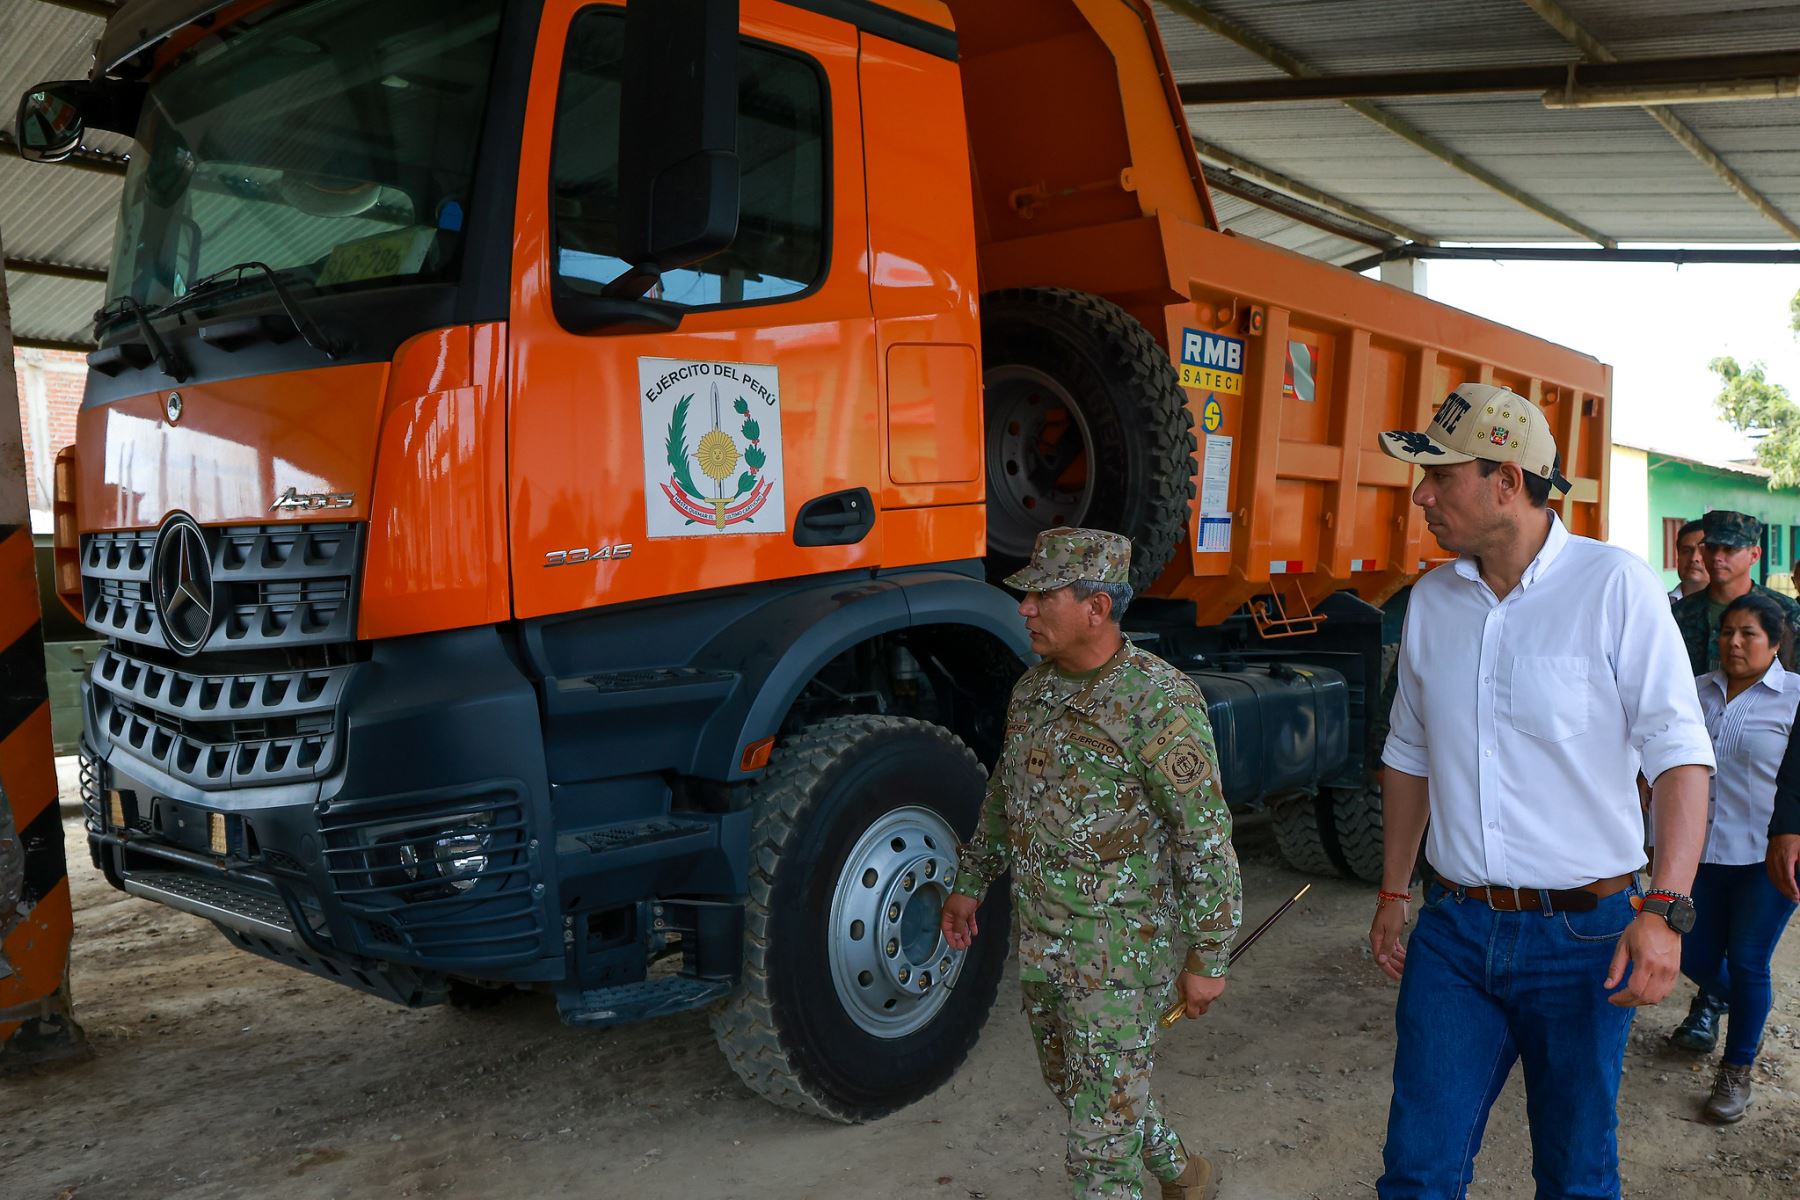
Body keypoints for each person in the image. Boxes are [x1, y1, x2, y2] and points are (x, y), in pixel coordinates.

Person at [1369, 382, 1714, 1198]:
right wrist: (1392, 889)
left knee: (1575, 1173)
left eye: (1440, 476)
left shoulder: (1614, 586)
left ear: (1506, 481)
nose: (1421, 496)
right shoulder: (1431, 601)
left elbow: (1679, 756)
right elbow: (1409, 752)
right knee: (1417, 1172)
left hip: (1584, 937)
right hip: (1455, 931)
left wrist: (1665, 910)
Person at [940, 527, 1241, 1200]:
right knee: (1078, 1087)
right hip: (1045, 944)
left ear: (1096, 608)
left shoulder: (1159, 701)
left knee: (1099, 1148)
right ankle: (1183, 1173)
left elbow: (1203, 836)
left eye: (1042, 596)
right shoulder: (1033, 692)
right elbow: (1006, 793)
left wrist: (1209, 955)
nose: (1025, 609)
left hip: (1120, 955)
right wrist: (970, 882)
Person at [1665, 593, 1800, 1122]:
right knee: (1691, 955)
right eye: (1727, 632)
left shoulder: (1794, 698)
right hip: (1697, 854)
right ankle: (1748, 1006)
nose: (1734, 643)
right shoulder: (1694, 691)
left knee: (1747, 960)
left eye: (1748, 634)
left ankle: (1736, 1068)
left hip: (1765, 858)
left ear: (1775, 642)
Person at [1671, 509, 1800, 675]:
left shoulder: (1786, 611)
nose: (1717, 557)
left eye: (1729, 549)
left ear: (1754, 555)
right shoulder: (1679, 613)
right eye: (1711, 548)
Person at [1671, 518, 1709, 602]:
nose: (1694, 558)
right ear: (1678, 558)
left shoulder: (1734, 606)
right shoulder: (1660, 603)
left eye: (1703, 551)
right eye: (1687, 551)